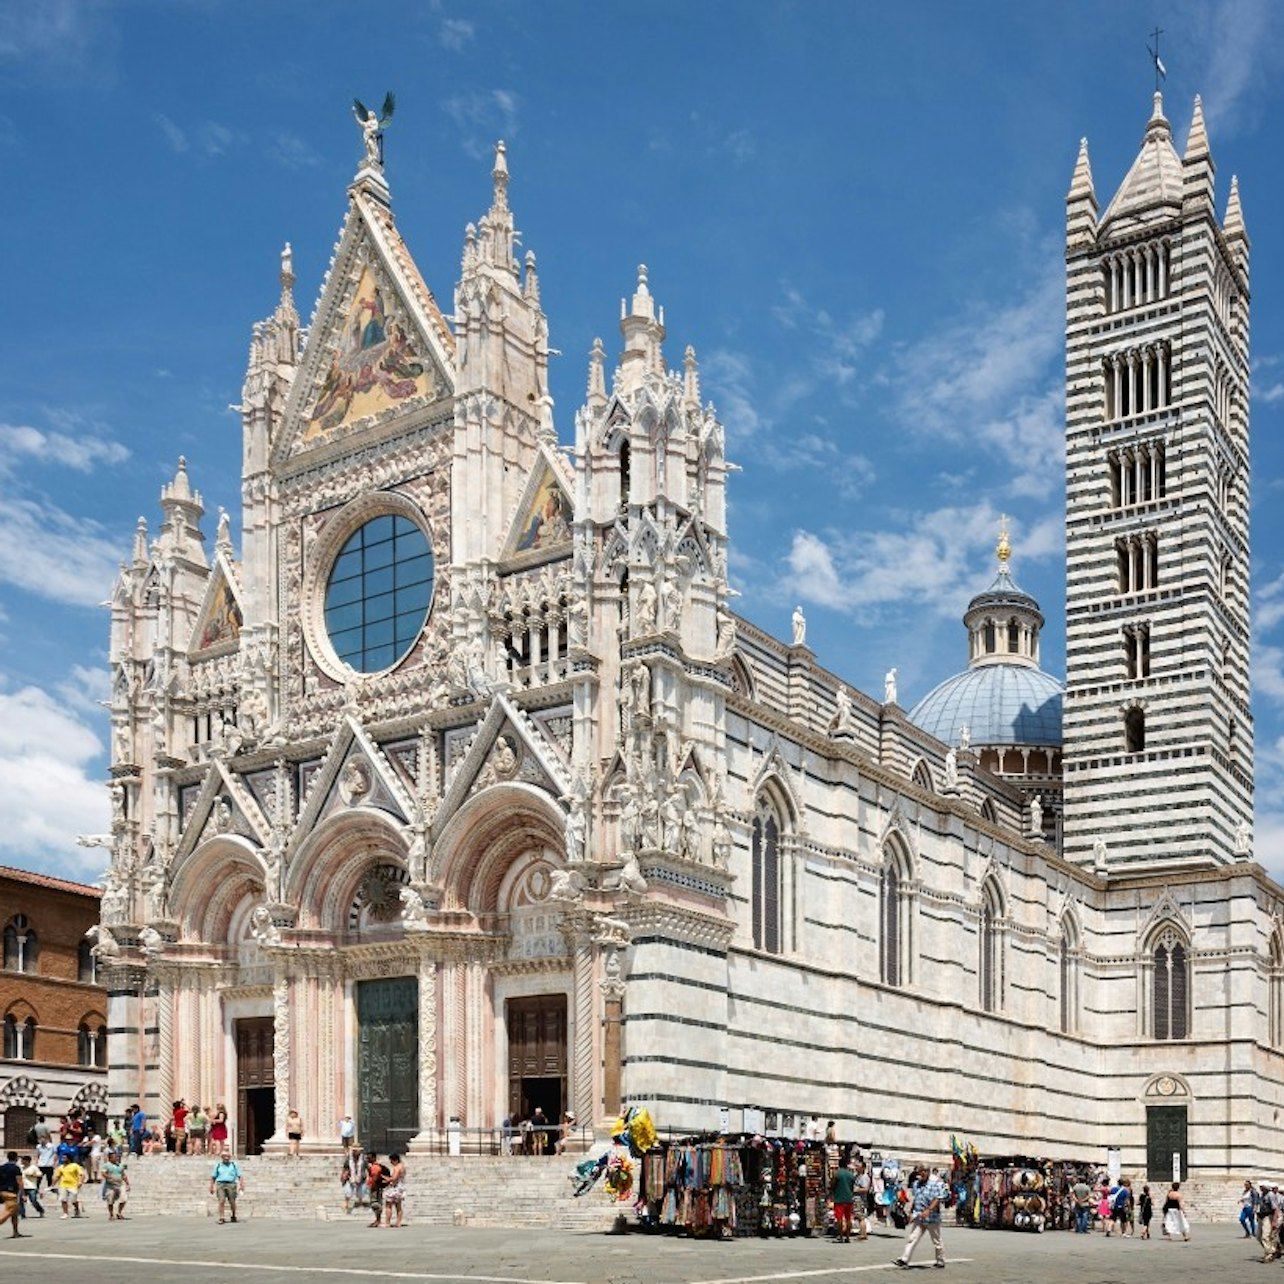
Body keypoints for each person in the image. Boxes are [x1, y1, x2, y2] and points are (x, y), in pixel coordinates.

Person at [894, 1166, 947, 1269]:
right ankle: (904, 1259)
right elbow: (916, 1199)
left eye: (922, 1173)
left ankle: (940, 1260)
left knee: (936, 1240)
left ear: (927, 1172)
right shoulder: (916, 1184)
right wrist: (911, 1212)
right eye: (918, 1173)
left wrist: (929, 1210)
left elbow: (937, 1198)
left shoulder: (935, 1184)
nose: (920, 1176)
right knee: (912, 1238)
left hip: (932, 1217)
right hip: (919, 1216)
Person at [210, 1148, 244, 1224]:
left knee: (232, 1201)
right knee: (221, 1200)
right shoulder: (218, 1165)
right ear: (222, 1157)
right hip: (220, 1184)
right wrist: (211, 1186)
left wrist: (241, 1185)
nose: (226, 1157)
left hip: (231, 1184)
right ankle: (221, 1217)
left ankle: (233, 1215)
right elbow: (213, 1176)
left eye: (228, 1156)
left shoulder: (234, 1165)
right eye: (225, 1156)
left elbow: (240, 1176)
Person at [830, 1155, 857, 1243]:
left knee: (840, 1219)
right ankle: (848, 1237)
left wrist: (832, 1192)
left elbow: (833, 1185)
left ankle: (841, 1236)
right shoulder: (851, 1174)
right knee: (848, 1218)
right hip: (849, 1199)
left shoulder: (837, 1173)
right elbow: (852, 1187)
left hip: (839, 1199)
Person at [0, 1151, 26, 1238]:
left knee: (14, 1213)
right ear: (16, 1158)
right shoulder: (15, 1168)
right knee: (8, 1212)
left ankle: (15, 1232)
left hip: (2, 1191)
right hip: (11, 1193)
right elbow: (20, 1182)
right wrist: (23, 1194)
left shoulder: (1, 1167)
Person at [54, 1152, 87, 1218]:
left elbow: (82, 1174)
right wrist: (53, 1184)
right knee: (63, 1199)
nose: (63, 1159)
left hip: (73, 1185)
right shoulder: (61, 1167)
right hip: (63, 1185)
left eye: (64, 1157)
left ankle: (76, 1209)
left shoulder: (75, 1165)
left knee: (73, 1200)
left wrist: (80, 1182)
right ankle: (65, 1213)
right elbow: (57, 1176)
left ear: (68, 1158)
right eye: (62, 1157)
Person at [101, 1152, 129, 1220]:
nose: (116, 1158)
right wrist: (110, 1177)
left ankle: (119, 1213)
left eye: (116, 1157)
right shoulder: (106, 1165)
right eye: (114, 1157)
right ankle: (111, 1214)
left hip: (120, 1184)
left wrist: (127, 1183)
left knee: (124, 1199)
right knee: (110, 1201)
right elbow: (103, 1173)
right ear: (110, 1158)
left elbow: (123, 1174)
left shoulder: (120, 1165)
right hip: (110, 1185)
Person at [384, 1153, 406, 1228]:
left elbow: (394, 1178)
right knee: (398, 1206)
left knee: (388, 1205)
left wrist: (386, 1179)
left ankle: (387, 1223)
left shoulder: (397, 1167)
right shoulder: (402, 1166)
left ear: (395, 1160)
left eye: (391, 1161)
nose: (391, 1163)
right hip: (400, 1187)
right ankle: (398, 1222)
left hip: (395, 1187)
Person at [365, 1151, 387, 1227]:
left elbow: (374, 1179)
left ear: (374, 1158)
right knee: (374, 1203)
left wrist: (372, 1187)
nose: (368, 1159)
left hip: (375, 1188)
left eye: (369, 1158)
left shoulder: (375, 1167)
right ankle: (378, 1219)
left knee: (375, 1204)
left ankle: (378, 1220)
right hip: (375, 1187)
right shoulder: (372, 1166)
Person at [853, 1158, 872, 1241]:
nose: (856, 1168)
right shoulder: (858, 1176)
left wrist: (856, 1190)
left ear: (863, 1168)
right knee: (859, 1217)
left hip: (860, 1199)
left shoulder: (864, 1177)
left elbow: (866, 1189)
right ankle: (862, 1233)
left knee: (861, 1217)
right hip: (857, 1199)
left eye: (858, 1166)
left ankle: (863, 1234)